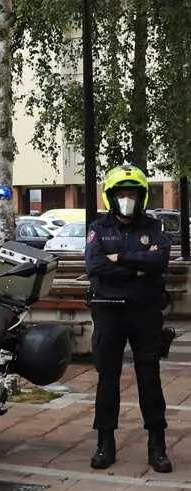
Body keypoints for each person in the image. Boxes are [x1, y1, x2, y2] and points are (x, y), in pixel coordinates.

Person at [85, 164, 173, 473]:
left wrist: (120, 259)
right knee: (107, 378)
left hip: (144, 313)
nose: (127, 199)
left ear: (142, 196)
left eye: (132, 193)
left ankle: (157, 445)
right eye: (122, 194)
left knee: (149, 377)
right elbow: (95, 267)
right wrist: (138, 268)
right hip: (108, 311)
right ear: (111, 196)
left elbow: (159, 260)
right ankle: (104, 443)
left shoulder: (153, 230)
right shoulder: (99, 229)